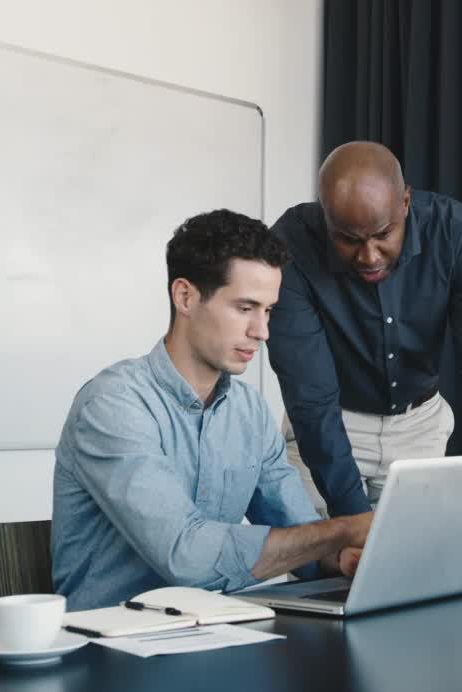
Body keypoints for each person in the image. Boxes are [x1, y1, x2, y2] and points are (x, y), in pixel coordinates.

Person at [51, 209, 371, 611]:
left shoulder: (249, 412)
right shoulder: (112, 406)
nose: (262, 331)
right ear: (185, 296)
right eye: (245, 308)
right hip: (109, 651)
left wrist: (341, 555)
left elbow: (301, 535)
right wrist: (344, 528)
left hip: (212, 636)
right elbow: (188, 557)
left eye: (268, 310)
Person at [268, 141, 462, 561]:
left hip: (419, 431)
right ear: (325, 216)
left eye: (382, 234)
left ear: (406, 202)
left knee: (417, 575)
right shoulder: (290, 244)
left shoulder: (454, 231)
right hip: (330, 426)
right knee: (326, 576)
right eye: (348, 239)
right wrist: (355, 530)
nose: (369, 255)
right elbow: (311, 398)